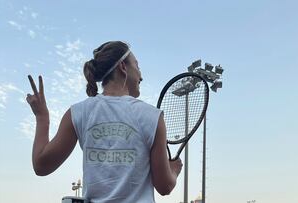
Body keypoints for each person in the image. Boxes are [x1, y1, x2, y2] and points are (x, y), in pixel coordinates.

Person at [26, 41, 183, 203]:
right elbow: (164, 186)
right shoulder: (153, 116)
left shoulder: (78, 112)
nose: (141, 76)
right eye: (137, 66)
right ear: (123, 67)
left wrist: (41, 117)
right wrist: (174, 170)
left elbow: (41, 166)